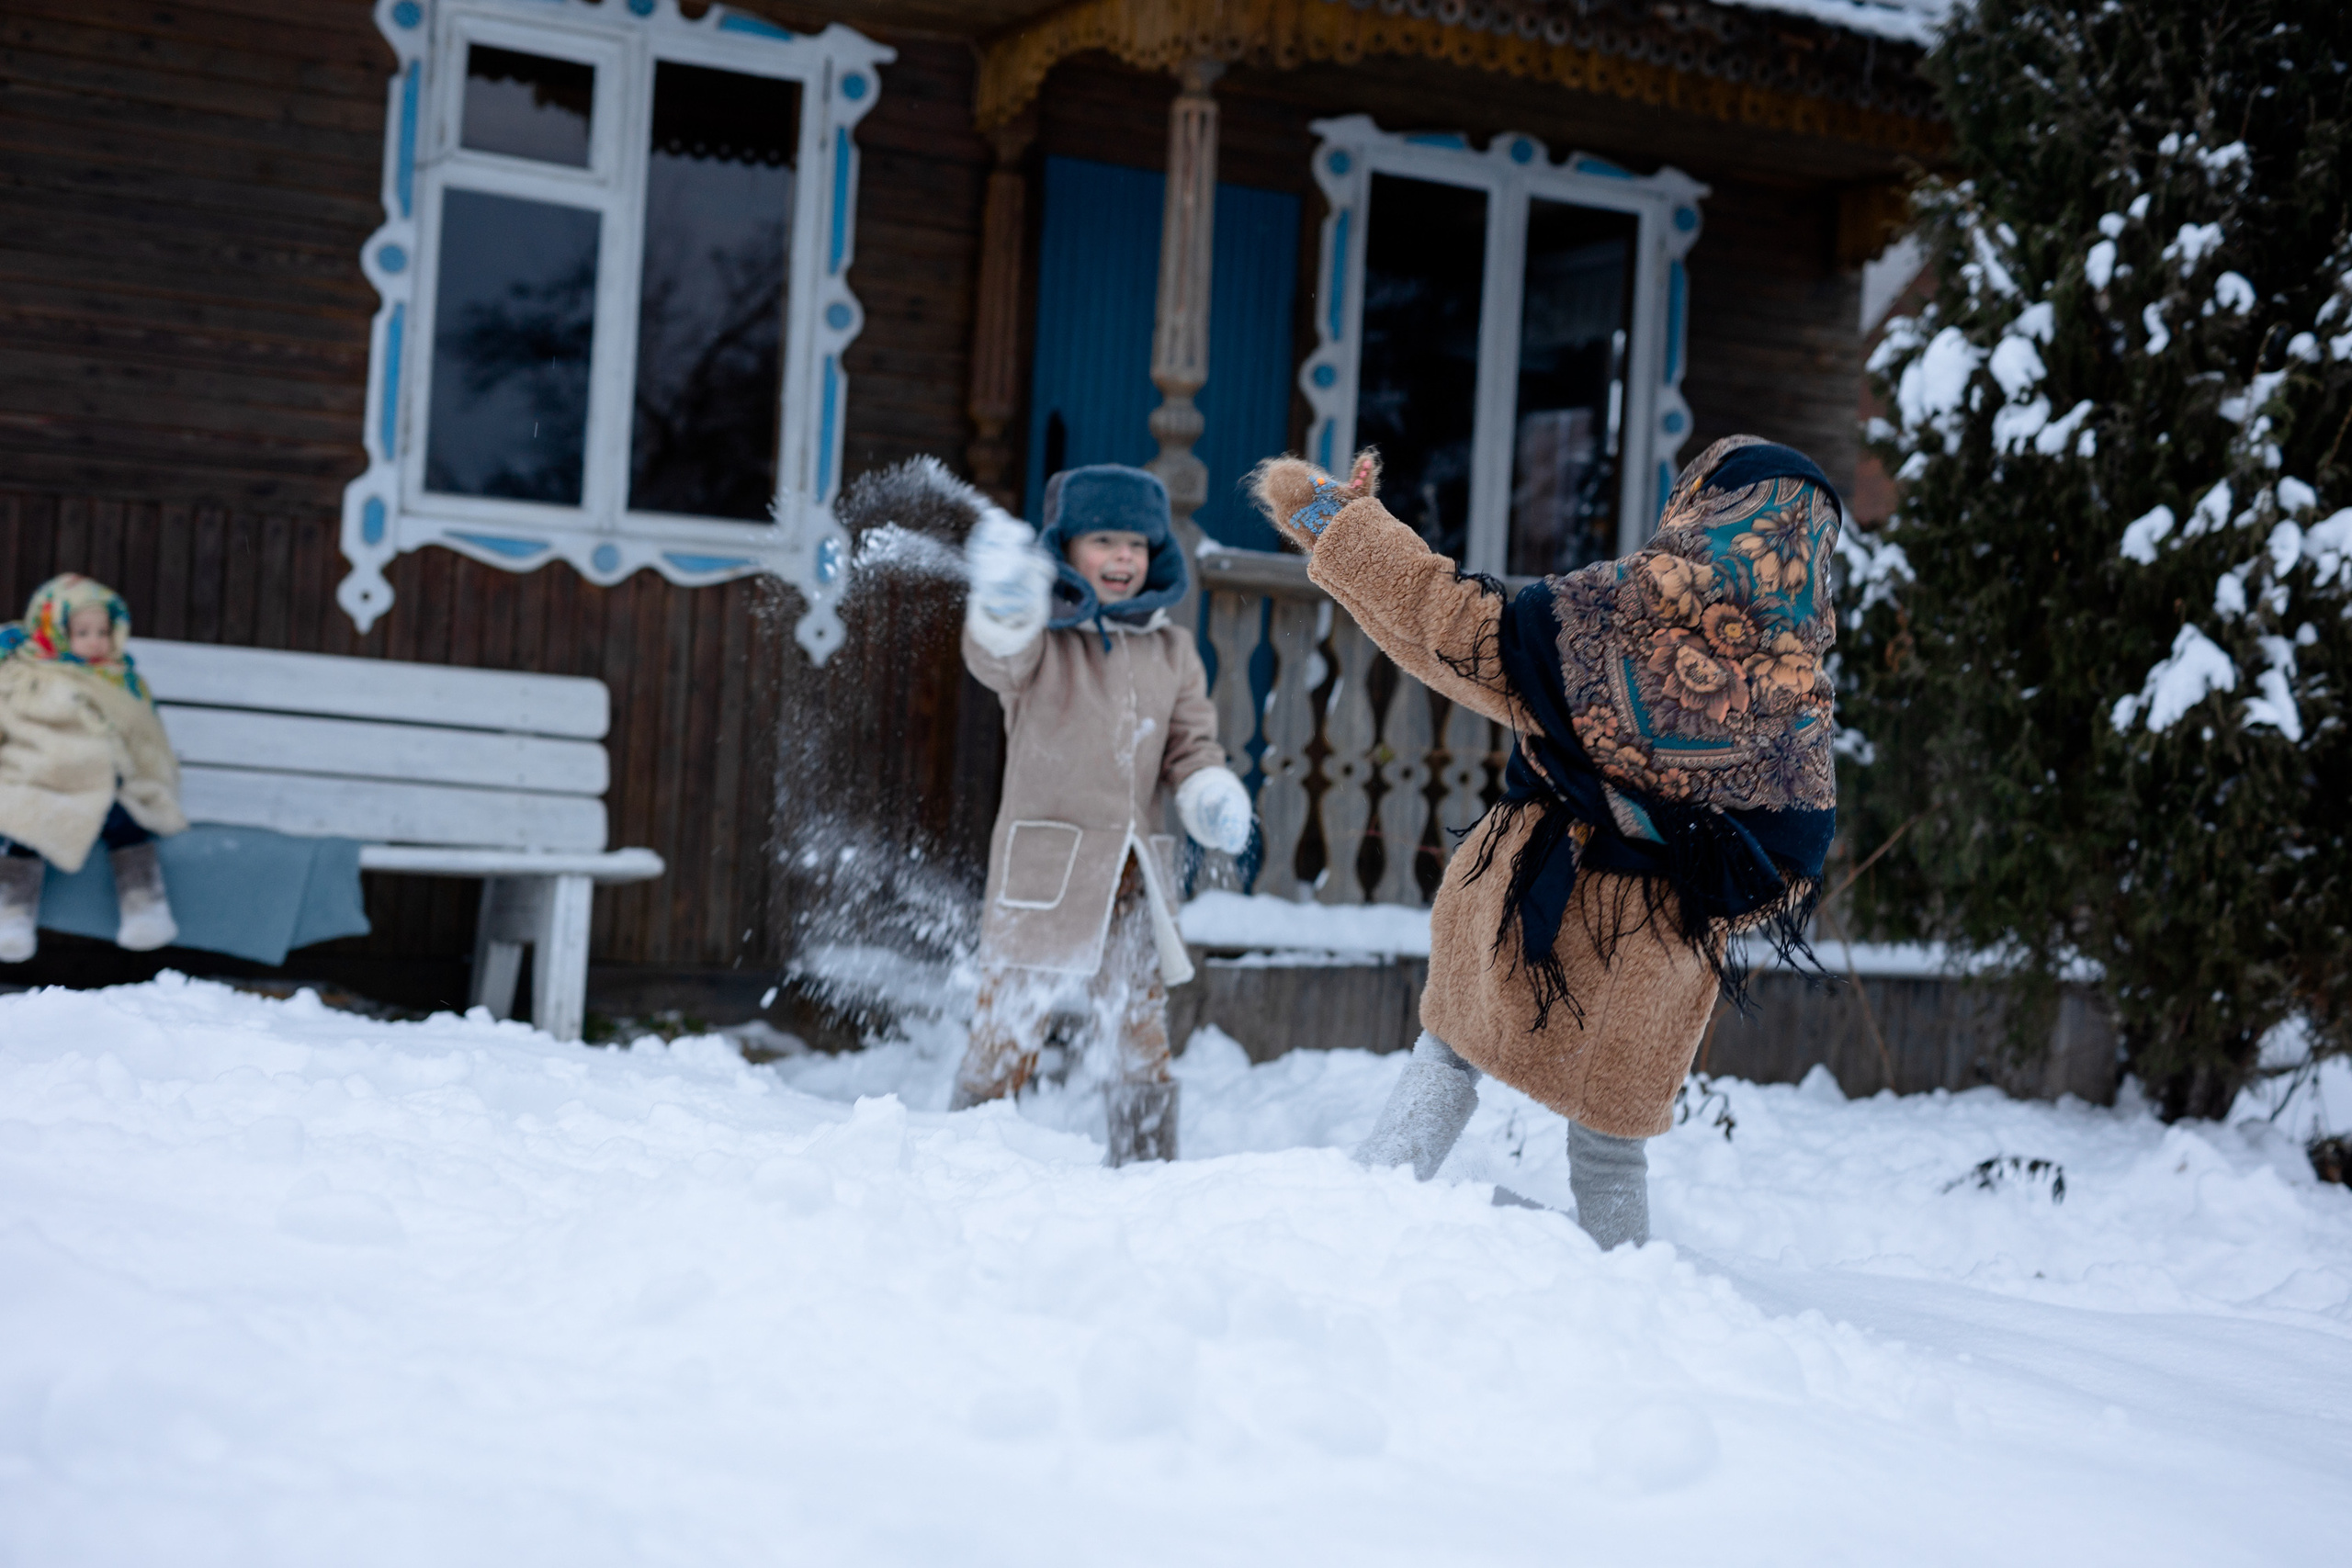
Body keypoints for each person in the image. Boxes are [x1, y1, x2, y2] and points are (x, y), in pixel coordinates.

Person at [1252, 437, 1840, 1247]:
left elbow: (1443, 620)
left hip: (1523, 885)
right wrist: (1682, 855)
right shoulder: (1793, 698)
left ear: (1698, 509)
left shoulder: (1605, 617)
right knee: (1610, 1151)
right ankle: (1626, 1291)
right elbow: (1789, 860)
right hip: (1657, 946)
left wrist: (1339, 521)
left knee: (1448, 1057)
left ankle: (1359, 1220)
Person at [952, 464, 1254, 1166]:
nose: (1124, 558)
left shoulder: (1172, 648)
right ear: (1068, 549)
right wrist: (1003, 602)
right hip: (1044, 873)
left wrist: (1208, 789)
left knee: (1138, 1033)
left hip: (1132, 881)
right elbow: (993, 657)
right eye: (1105, 541)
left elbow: (1191, 744)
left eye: (1139, 544)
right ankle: (962, 1155)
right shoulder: (1042, 643)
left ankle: (1146, 1167)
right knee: (1009, 1028)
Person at [0, 574, 189, 961]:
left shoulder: (118, 678)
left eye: (103, 631)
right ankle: (11, 916)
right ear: (52, 628)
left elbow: (142, 733)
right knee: (24, 828)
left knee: (126, 825)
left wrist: (145, 773)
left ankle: (145, 907)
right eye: (83, 631)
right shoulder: (25, 673)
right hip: (37, 775)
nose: (95, 641)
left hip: (99, 781)